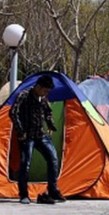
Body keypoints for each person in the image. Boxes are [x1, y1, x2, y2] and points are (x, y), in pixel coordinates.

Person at [9, 75, 66, 204]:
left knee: (53, 158)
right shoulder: (24, 95)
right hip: (26, 136)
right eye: (45, 90)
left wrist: (50, 124)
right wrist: (20, 130)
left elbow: (48, 112)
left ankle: (53, 190)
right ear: (38, 87)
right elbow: (13, 112)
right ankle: (24, 194)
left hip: (40, 135)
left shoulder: (43, 98)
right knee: (25, 163)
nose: (46, 93)